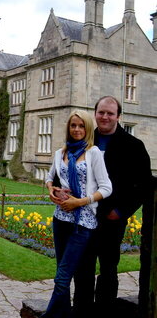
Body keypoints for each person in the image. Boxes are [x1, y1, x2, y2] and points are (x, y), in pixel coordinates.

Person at [73, 96, 152, 314]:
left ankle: (105, 312)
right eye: (101, 112)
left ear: (118, 116)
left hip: (111, 219)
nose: (105, 117)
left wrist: (121, 212)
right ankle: (82, 311)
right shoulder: (84, 141)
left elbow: (143, 185)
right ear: (95, 113)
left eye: (110, 113)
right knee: (83, 268)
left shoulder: (134, 146)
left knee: (108, 269)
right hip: (84, 216)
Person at [41, 110, 112, 318]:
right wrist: (51, 189)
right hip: (60, 218)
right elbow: (49, 176)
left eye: (81, 126)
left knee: (62, 278)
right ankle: (63, 314)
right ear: (68, 128)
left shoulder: (94, 153)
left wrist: (80, 202)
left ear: (87, 128)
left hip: (82, 223)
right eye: (73, 125)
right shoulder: (60, 152)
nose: (77, 129)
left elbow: (107, 188)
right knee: (60, 273)